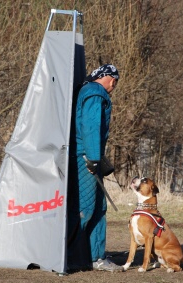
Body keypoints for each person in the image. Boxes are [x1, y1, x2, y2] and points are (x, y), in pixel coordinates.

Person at [67, 64, 123, 272]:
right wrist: (92, 158)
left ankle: (95, 256)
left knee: (99, 207)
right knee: (85, 208)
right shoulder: (95, 93)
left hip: (90, 157)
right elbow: (90, 127)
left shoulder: (89, 91)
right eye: (114, 82)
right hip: (86, 158)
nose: (114, 87)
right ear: (109, 78)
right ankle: (71, 256)